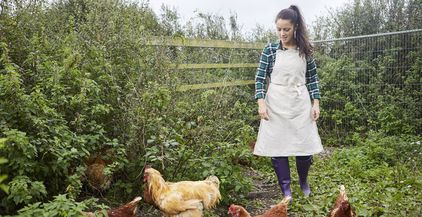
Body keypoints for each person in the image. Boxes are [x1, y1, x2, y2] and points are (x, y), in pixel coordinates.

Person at [253, 5, 323, 201]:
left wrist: (315, 103)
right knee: (278, 147)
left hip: (300, 103)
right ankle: (286, 189)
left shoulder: (305, 51)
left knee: (304, 146)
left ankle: (303, 181)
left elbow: (313, 79)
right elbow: (259, 78)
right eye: (279, 29)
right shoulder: (270, 50)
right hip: (275, 103)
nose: (282, 33)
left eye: (286, 29)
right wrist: (261, 103)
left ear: (296, 27)